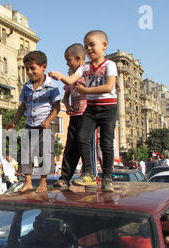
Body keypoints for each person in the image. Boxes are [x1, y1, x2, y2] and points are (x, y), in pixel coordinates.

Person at [49, 30, 118, 192]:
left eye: (92, 45)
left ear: (104, 46)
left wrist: (86, 91)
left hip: (107, 107)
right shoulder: (85, 68)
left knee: (105, 143)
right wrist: (59, 76)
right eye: (86, 46)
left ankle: (107, 177)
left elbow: (109, 87)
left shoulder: (110, 65)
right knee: (79, 140)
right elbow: (70, 81)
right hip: (89, 110)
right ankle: (87, 173)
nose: (89, 49)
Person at [6, 50, 61, 193]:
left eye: (33, 68)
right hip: (30, 125)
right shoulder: (26, 87)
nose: (30, 72)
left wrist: (49, 120)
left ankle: (43, 181)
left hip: (45, 126)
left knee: (46, 152)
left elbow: (57, 107)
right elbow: (22, 106)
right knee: (25, 153)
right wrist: (14, 122)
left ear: (43, 67)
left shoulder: (52, 86)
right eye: (27, 69)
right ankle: (28, 181)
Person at [55, 43, 87, 189]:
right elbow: (66, 96)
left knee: (85, 145)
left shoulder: (87, 73)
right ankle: (65, 178)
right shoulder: (72, 78)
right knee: (70, 147)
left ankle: (88, 174)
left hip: (87, 116)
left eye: (69, 60)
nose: (67, 63)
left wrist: (59, 76)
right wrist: (67, 107)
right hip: (75, 115)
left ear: (78, 58)